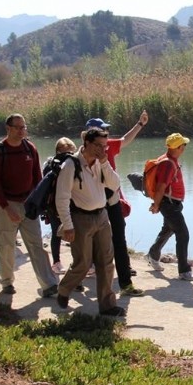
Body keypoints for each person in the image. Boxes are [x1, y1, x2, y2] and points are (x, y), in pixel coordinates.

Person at [0, 113, 58, 297]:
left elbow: (38, 179)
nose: (21, 131)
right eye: (17, 127)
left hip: (28, 204)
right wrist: (7, 208)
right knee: (7, 246)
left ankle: (48, 285)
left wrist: (39, 203)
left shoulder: (30, 149)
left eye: (23, 127)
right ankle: (7, 282)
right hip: (5, 205)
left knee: (36, 245)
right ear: (8, 129)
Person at [55, 127, 125, 317]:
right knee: (83, 263)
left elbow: (115, 184)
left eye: (105, 146)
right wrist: (68, 226)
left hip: (102, 217)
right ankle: (63, 289)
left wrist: (104, 163)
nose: (102, 149)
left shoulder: (101, 163)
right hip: (81, 219)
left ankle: (107, 305)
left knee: (106, 262)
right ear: (86, 143)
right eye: (98, 145)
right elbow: (61, 198)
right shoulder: (70, 165)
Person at [85, 113, 148, 297]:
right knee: (92, 240)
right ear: (91, 135)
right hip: (92, 201)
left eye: (106, 130)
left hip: (111, 199)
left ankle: (125, 282)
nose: (107, 132)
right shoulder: (80, 155)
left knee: (119, 239)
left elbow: (125, 140)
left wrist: (140, 124)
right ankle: (83, 272)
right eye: (103, 129)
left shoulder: (109, 146)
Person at [147, 133, 193, 281]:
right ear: (179, 147)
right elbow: (160, 186)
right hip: (169, 204)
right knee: (183, 235)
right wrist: (156, 205)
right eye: (183, 145)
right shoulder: (168, 163)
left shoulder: (168, 160)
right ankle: (184, 271)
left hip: (171, 203)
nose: (184, 147)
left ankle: (153, 253)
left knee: (168, 229)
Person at [44, 137, 78, 276]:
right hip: (53, 205)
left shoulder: (76, 164)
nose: (69, 155)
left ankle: (78, 263)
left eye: (71, 152)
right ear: (58, 151)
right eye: (65, 152)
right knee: (56, 232)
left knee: (75, 234)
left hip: (72, 204)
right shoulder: (51, 165)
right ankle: (56, 262)